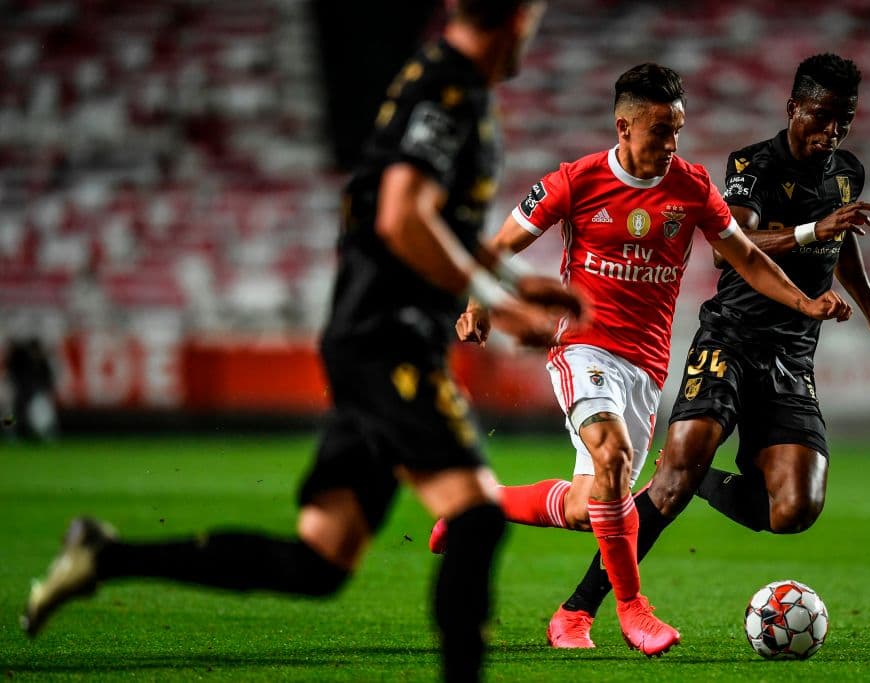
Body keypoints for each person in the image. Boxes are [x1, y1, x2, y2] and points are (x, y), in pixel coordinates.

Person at [20, 3, 580, 682]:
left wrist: (512, 277)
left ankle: (105, 555)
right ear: (517, 15)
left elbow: (425, 219)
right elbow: (403, 217)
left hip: (374, 338)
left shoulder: (434, 82)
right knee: (478, 516)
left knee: (320, 561)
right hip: (387, 340)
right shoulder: (449, 90)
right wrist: (497, 299)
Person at [429, 62, 854, 657]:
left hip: (644, 367)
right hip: (583, 348)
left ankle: (476, 505)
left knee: (590, 506)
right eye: (659, 130)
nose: (670, 143)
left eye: (677, 130)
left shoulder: (693, 187)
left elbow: (748, 259)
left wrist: (803, 300)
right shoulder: (574, 181)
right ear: (623, 127)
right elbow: (500, 245)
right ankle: (627, 611)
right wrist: (477, 302)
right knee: (613, 456)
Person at [548, 53, 870, 648]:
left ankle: (691, 475)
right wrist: (811, 230)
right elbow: (730, 246)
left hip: (792, 354)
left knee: (794, 510)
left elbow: (843, 244)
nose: (833, 132)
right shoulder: (752, 165)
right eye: (822, 118)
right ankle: (579, 609)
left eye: (844, 120)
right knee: (673, 483)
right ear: (794, 108)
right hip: (731, 337)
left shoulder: (848, 171)